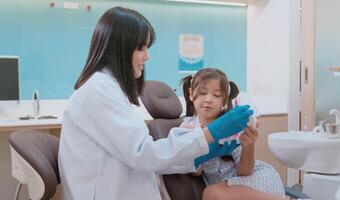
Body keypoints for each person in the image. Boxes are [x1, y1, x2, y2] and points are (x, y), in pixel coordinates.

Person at [58, 7, 253, 200]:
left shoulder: (110, 91)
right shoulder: (97, 92)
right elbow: (143, 154)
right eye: (141, 47)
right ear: (121, 47)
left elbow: (148, 156)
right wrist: (211, 133)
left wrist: (200, 154)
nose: (147, 56)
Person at [180, 68, 286, 200]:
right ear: (191, 94)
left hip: (253, 178)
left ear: (225, 100)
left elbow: (245, 172)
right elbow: (193, 171)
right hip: (225, 189)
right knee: (211, 193)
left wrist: (249, 145)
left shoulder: (232, 124)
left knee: (211, 193)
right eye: (202, 93)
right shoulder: (187, 129)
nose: (208, 99)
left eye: (217, 95)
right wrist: (201, 149)